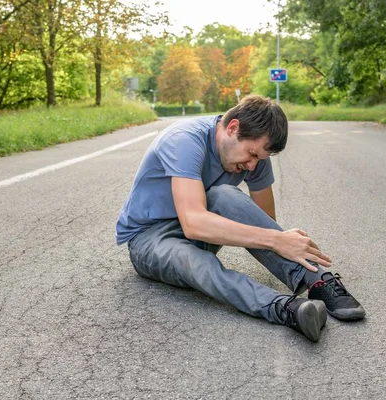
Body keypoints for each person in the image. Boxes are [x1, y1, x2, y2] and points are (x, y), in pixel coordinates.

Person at [116, 95, 365, 342]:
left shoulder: (254, 159)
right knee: (197, 262)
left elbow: (262, 220)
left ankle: (318, 281)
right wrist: (277, 239)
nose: (253, 165)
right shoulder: (184, 140)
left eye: (260, 159)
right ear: (233, 128)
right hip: (149, 239)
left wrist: (281, 241)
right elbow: (193, 222)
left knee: (224, 194)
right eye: (251, 154)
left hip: (199, 232)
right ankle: (286, 309)